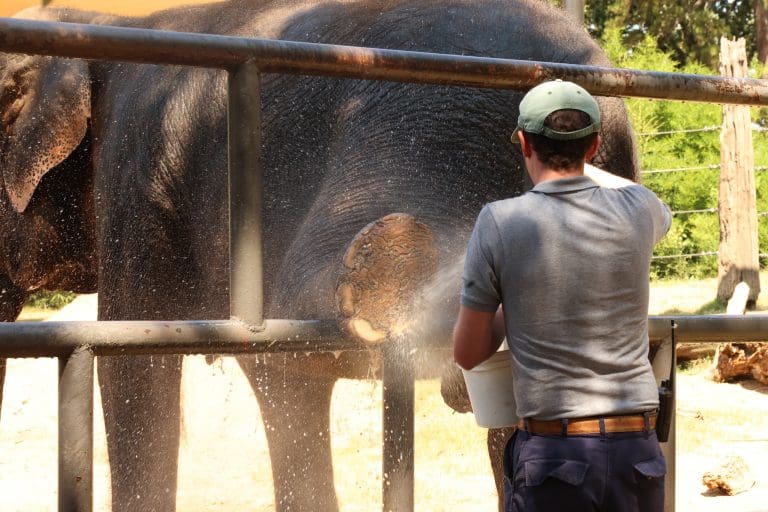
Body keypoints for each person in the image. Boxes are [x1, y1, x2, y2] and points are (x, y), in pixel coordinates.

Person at [453, 80, 672, 512]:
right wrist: (581, 161)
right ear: (593, 147)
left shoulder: (500, 221)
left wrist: (510, 304)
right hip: (638, 453)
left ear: (522, 143)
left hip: (557, 456)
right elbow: (654, 204)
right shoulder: (641, 209)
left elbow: (467, 353)